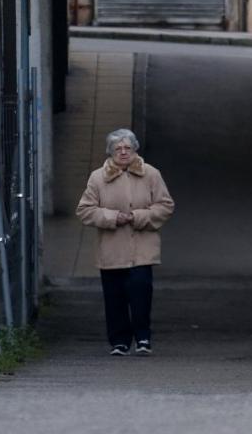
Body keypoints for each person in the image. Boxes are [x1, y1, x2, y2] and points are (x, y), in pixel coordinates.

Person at [75, 128, 175, 356]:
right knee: (114, 298)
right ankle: (119, 341)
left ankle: (143, 338)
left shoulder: (151, 174)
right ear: (110, 152)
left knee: (141, 294)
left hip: (142, 249)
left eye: (127, 148)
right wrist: (112, 217)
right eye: (117, 149)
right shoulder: (98, 177)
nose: (123, 152)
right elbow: (85, 210)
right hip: (111, 250)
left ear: (135, 149)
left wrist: (138, 217)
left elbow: (165, 205)